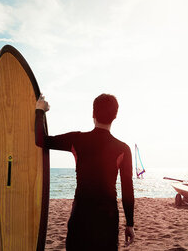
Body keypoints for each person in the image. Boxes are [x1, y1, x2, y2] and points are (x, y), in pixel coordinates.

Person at [35, 93, 135, 250]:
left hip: (81, 216)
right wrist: (130, 223)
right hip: (107, 219)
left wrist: (40, 110)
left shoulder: (77, 140)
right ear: (115, 116)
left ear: (93, 114)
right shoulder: (123, 149)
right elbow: (127, 189)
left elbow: (41, 140)